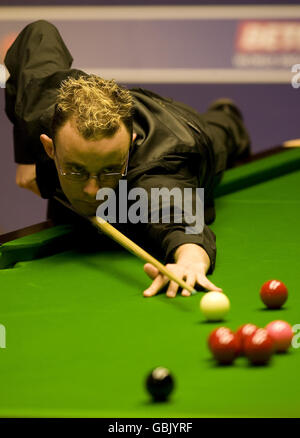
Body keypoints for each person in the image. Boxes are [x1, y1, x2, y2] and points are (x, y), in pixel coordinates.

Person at [4, 20, 251, 298]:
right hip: (118, 112)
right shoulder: (42, 107)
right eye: (77, 170)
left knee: (222, 131)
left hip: (187, 135)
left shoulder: (156, 169)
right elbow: (38, 33)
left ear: (129, 146)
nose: (92, 190)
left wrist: (189, 261)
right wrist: (25, 157)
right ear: (49, 147)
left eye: (110, 170)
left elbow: (179, 221)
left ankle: (226, 114)